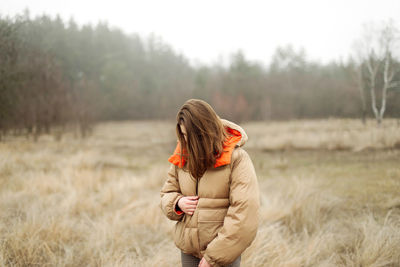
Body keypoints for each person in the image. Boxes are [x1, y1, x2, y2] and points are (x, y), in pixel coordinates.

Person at [159, 99, 260, 267]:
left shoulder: (237, 158)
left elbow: (244, 215)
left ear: (203, 132)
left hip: (223, 255)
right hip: (189, 252)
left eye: (190, 136)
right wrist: (177, 203)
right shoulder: (183, 153)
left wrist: (213, 257)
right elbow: (166, 194)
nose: (186, 142)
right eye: (183, 136)